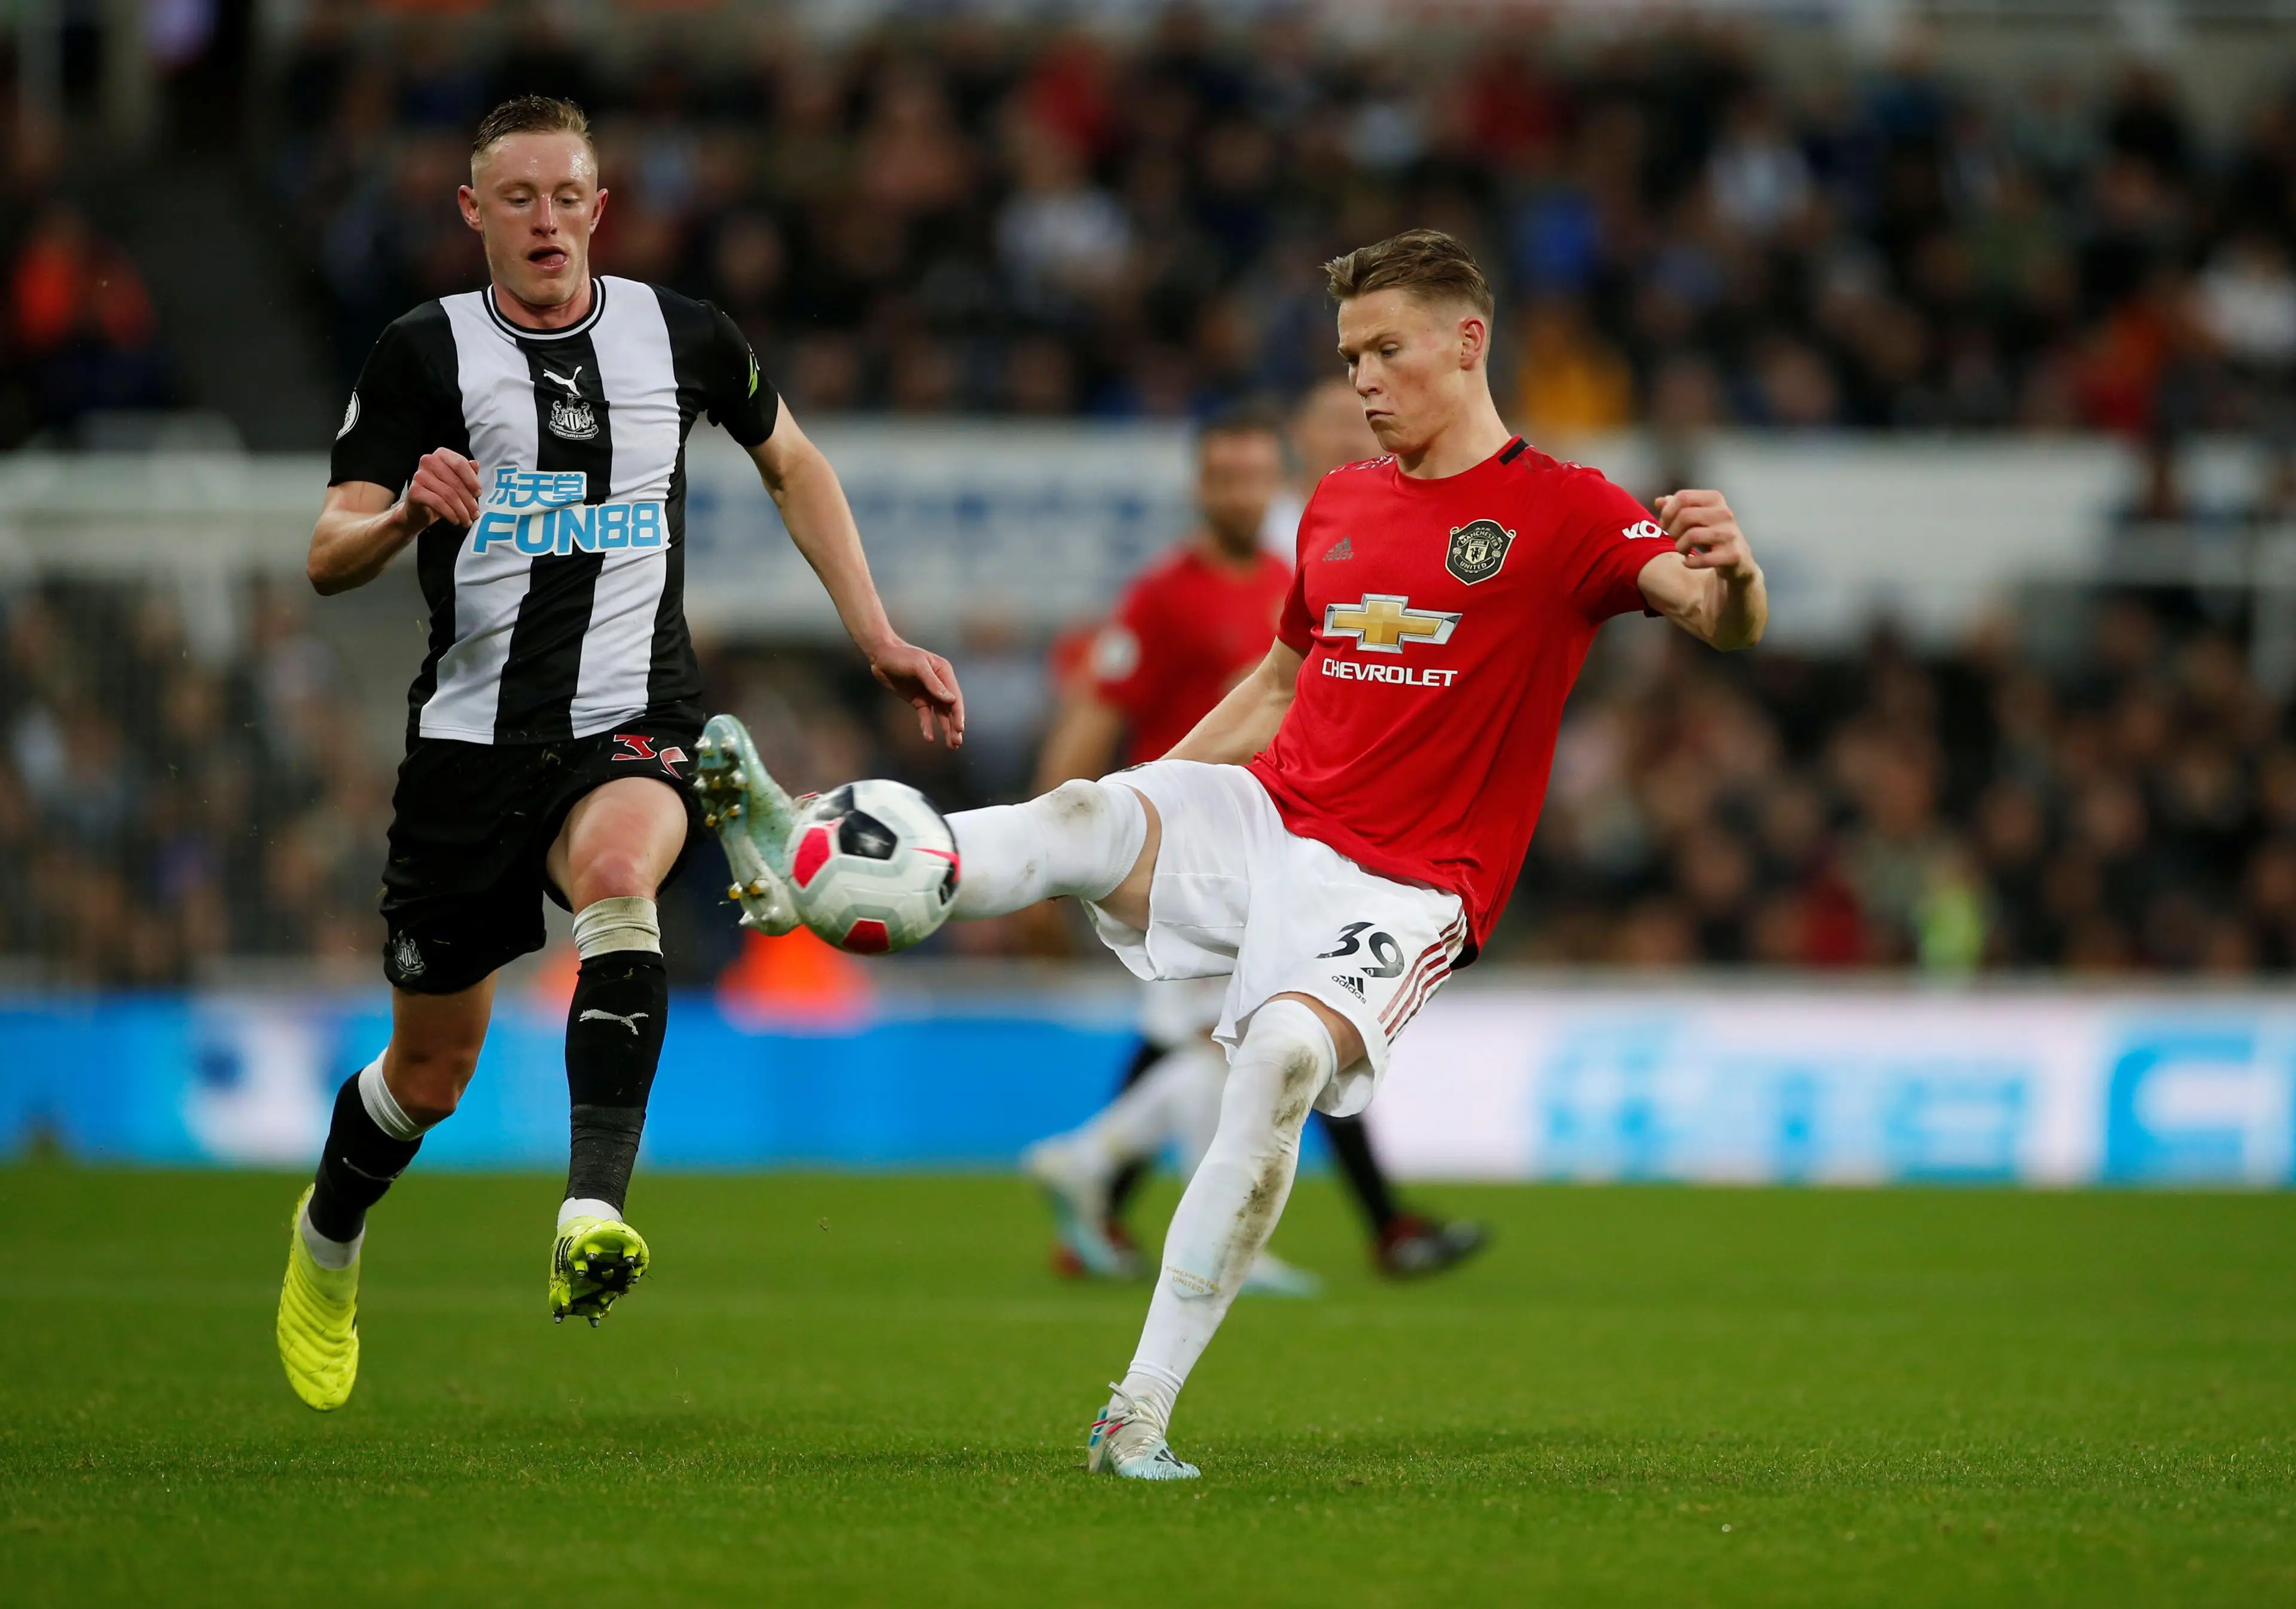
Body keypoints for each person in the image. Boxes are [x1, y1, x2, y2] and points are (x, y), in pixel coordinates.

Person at [708, 228, 1766, 1479]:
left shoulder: (1568, 508)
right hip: (1272, 812)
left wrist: (1736, 572)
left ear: (1466, 343)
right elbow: (1276, 682)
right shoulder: (1341, 502)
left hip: (1410, 883)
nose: (1361, 381)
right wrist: (1152, 795)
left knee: (1280, 1060)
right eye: (1349, 356)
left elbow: (1717, 621)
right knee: (1083, 816)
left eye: (1384, 352)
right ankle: (810, 854)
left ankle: (1137, 1412)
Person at [275, 95, 962, 1413]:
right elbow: (325, 553)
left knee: (620, 877)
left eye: (565, 196)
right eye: (516, 198)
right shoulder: (424, 351)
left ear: (600, 207)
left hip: (635, 713)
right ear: (473, 213)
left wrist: (874, 633)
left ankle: (592, 1207)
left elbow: (795, 464)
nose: (545, 220)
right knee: (430, 1078)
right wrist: (405, 514)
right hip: (470, 744)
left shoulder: (684, 335)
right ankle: (326, 1234)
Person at [1025, 399, 1489, 1289]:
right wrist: (1056, 840)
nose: (1241, 493)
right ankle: (1125, 1186)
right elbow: (1093, 714)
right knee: (1279, 1029)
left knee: (1255, 1034)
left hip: (1279, 841)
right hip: (1191, 852)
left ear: (1276, 482)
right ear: (1200, 486)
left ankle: (1104, 1195)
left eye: (1254, 477)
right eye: (1225, 476)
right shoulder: (1163, 597)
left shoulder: (1302, 576)